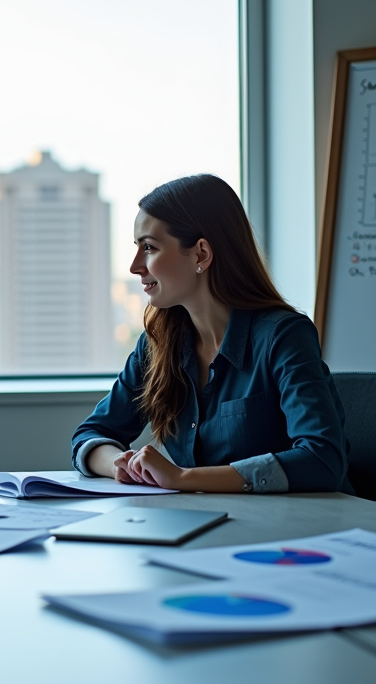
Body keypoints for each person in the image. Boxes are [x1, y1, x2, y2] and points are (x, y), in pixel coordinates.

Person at [73, 174, 351, 493]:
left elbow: (322, 460)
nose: (135, 266)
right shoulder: (158, 343)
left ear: (201, 254)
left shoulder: (284, 335)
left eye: (149, 247)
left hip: (296, 531)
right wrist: (121, 465)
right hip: (202, 526)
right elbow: (90, 435)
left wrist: (182, 478)